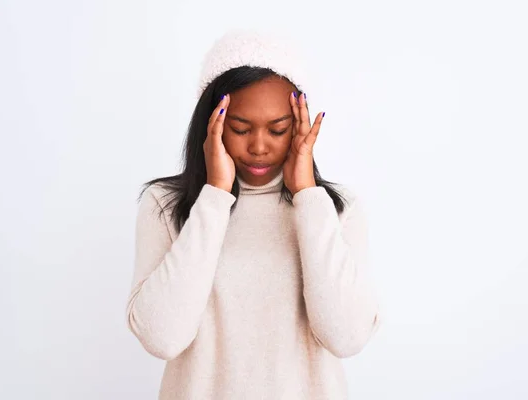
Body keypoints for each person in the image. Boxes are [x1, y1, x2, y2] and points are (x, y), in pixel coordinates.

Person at [125, 29, 381, 400]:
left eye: (278, 129)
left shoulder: (335, 209)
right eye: (240, 128)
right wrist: (213, 197)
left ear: (299, 124)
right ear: (212, 122)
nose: (259, 146)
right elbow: (162, 338)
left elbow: (348, 337)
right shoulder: (165, 204)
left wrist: (307, 195)